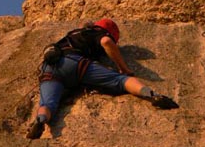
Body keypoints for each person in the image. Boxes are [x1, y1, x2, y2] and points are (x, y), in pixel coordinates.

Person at [27, 18, 178, 139]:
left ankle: (41, 120)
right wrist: (124, 68)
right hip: (75, 64)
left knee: (48, 103)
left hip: (50, 67)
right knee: (120, 80)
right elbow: (106, 42)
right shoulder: (98, 33)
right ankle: (152, 95)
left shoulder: (73, 33)